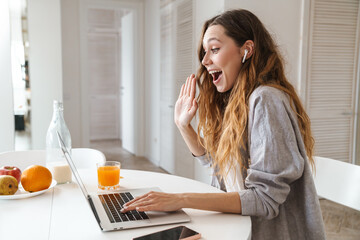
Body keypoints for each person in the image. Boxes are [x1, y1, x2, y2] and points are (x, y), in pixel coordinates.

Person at [122, 9, 326, 239]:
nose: (205, 60)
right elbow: (216, 161)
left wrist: (180, 199)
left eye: (215, 49)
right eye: (204, 52)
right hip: (235, 224)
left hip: (259, 232)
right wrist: (183, 125)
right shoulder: (236, 100)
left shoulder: (266, 99)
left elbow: (264, 200)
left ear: (246, 50)